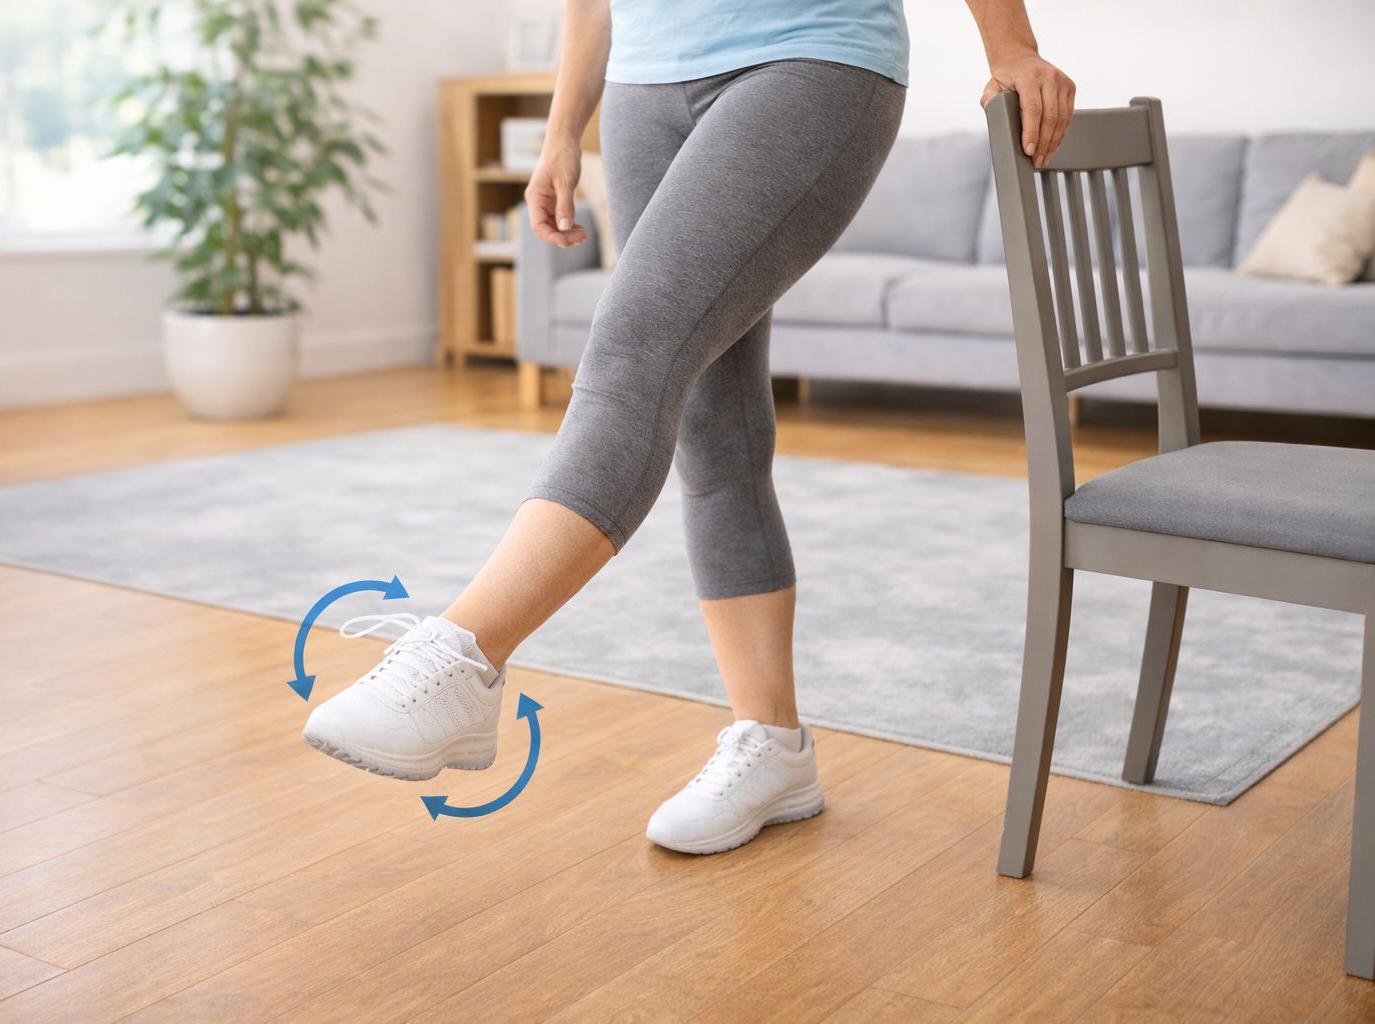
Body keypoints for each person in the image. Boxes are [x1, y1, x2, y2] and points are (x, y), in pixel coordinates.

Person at [303, 0, 1075, 855]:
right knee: (715, 425)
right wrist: (564, 128)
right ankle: (774, 745)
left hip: (809, 54)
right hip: (643, 80)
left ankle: (463, 657)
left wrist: (1012, 46)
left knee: (636, 348)